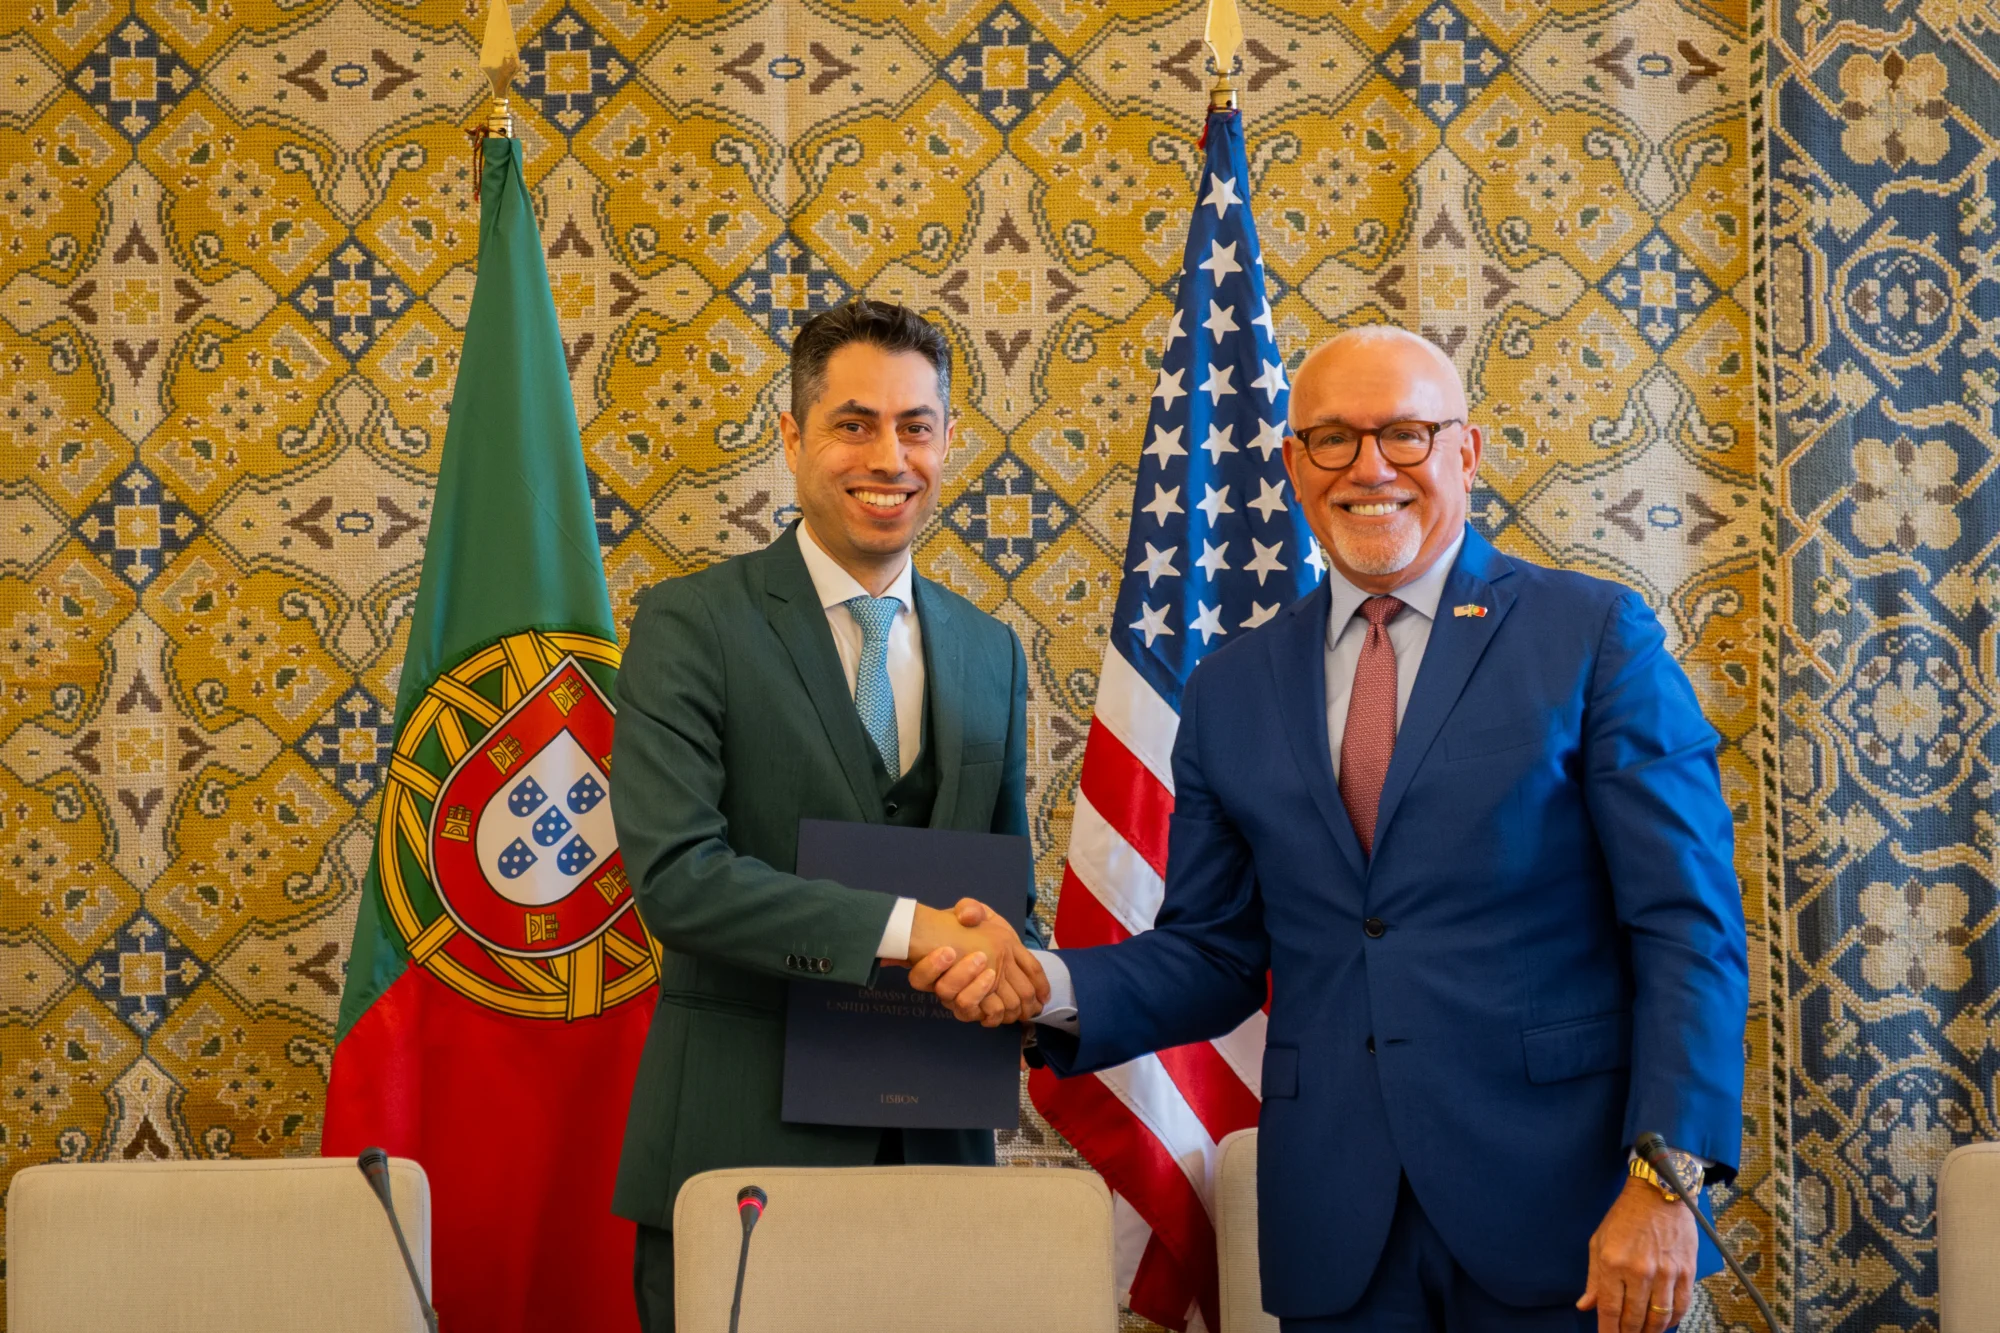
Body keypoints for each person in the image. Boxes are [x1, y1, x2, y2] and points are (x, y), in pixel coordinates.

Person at [919, 327, 1748, 1333]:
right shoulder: (1230, 686)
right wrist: (1043, 982)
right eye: (1332, 439)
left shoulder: (1592, 637)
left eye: (1405, 434)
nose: (1369, 467)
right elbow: (1214, 952)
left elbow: (1686, 928)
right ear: (1293, 464)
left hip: (1567, 1215)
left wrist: (1666, 1181)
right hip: (1338, 1231)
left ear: (1466, 451)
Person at [608, 299, 1049, 1333]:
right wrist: (911, 930)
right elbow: (677, 880)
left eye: (915, 426)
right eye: (854, 424)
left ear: (947, 440)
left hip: (939, 1161)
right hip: (739, 1159)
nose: (888, 457)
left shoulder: (988, 650)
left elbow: (1005, 895)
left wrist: (1020, 968)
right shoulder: (690, 624)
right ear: (793, 435)